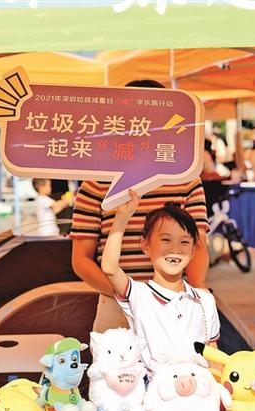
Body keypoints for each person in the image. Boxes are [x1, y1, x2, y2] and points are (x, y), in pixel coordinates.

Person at [70, 79, 210, 333]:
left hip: (175, 305)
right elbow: (81, 259)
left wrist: (197, 292)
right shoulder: (96, 182)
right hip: (117, 307)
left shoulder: (186, 179)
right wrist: (127, 295)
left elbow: (197, 245)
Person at [101, 190, 219, 370]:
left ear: (193, 250)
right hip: (155, 386)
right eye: (166, 240)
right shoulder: (138, 295)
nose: (175, 249)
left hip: (200, 386)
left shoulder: (205, 300)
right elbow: (109, 268)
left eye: (184, 242)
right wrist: (122, 218)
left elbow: (214, 356)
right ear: (145, 245)